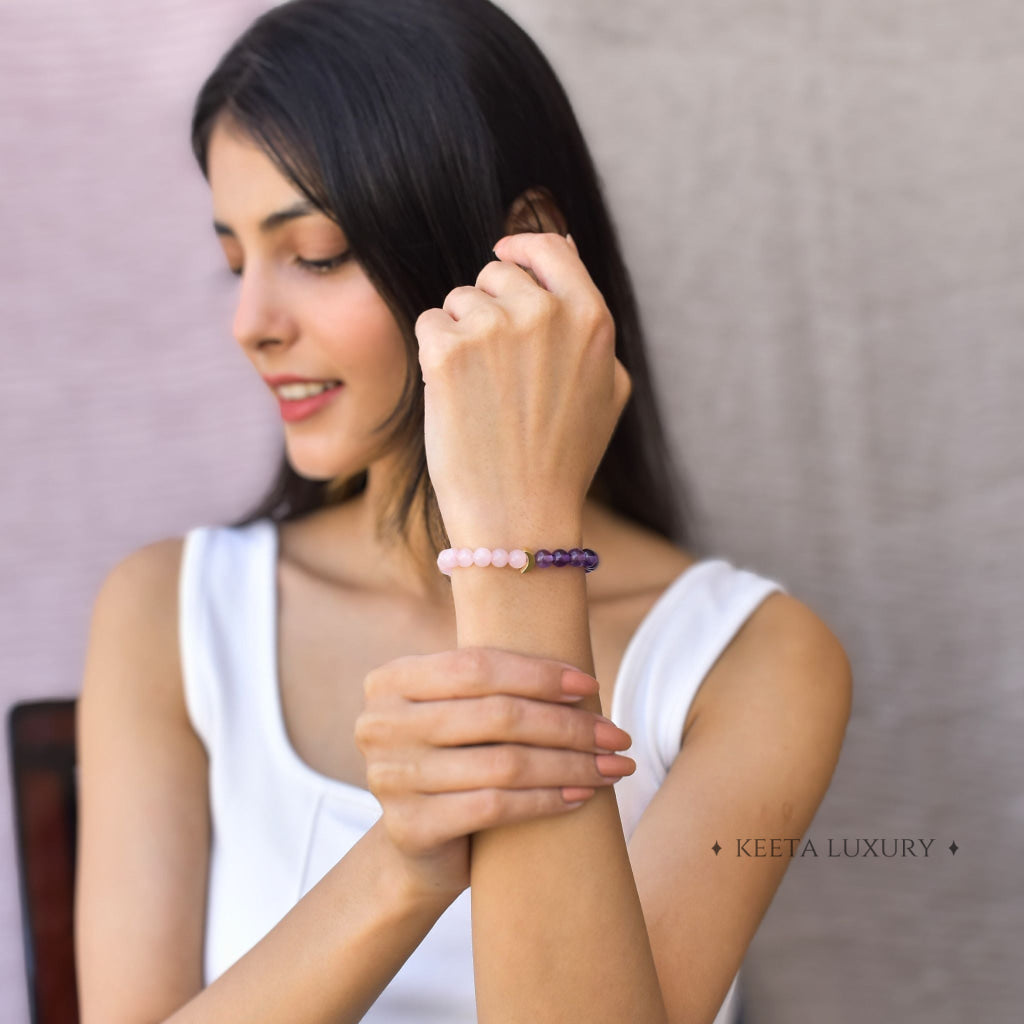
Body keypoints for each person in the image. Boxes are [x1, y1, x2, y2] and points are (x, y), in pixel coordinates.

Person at [73, 1, 853, 1022]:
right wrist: (401, 864)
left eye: (312, 254)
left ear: (523, 248)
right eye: (234, 261)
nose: (250, 324)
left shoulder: (754, 660)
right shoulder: (167, 612)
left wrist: (515, 551)